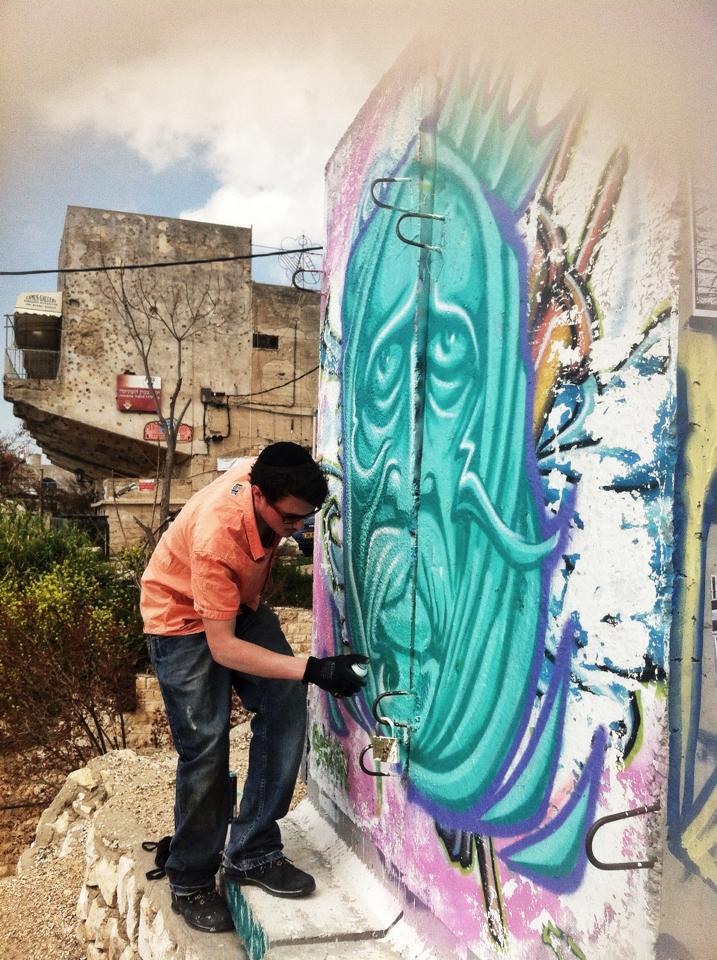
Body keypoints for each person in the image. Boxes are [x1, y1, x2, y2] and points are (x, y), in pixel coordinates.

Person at [140, 442, 367, 933]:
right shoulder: (217, 537)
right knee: (206, 745)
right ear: (260, 495)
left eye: (306, 518)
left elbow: (293, 485)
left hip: (234, 603)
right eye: (290, 519)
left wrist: (302, 531)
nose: (297, 527)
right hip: (181, 619)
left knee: (285, 701)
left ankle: (252, 850)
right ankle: (190, 879)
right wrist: (315, 669)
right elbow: (220, 647)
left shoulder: (268, 473)